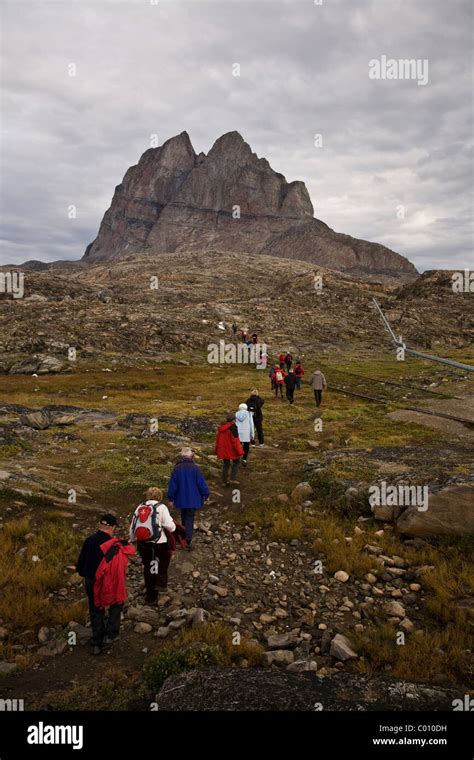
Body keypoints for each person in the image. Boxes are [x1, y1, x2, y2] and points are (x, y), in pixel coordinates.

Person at [77, 514, 134, 655]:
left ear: (99, 525)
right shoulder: (115, 545)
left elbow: (80, 567)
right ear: (112, 527)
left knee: (96, 609)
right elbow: (119, 569)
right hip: (108, 582)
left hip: (91, 581)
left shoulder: (89, 541)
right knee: (116, 603)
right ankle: (111, 635)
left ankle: (97, 642)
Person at [130, 487, 180, 602]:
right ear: (160, 497)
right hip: (158, 543)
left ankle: (151, 595)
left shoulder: (140, 507)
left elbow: (133, 525)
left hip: (143, 544)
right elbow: (170, 527)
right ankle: (161, 583)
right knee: (165, 558)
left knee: (149, 567)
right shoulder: (161, 508)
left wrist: (133, 539)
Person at [167, 448, 210, 550]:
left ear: (181, 456)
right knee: (189, 518)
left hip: (181, 499)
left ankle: (183, 536)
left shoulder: (177, 468)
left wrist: (170, 498)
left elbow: (173, 485)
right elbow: (201, 484)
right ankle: (187, 541)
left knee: (184, 516)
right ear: (191, 456)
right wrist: (206, 494)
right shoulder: (195, 468)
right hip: (193, 499)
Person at [215, 412, 244, 485]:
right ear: (233, 419)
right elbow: (235, 441)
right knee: (237, 462)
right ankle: (232, 479)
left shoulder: (222, 428)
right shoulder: (233, 427)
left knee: (226, 464)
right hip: (232, 450)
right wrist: (240, 451)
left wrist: (217, 450)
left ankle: (224, 481)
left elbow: (218, 440)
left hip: (224, 450)